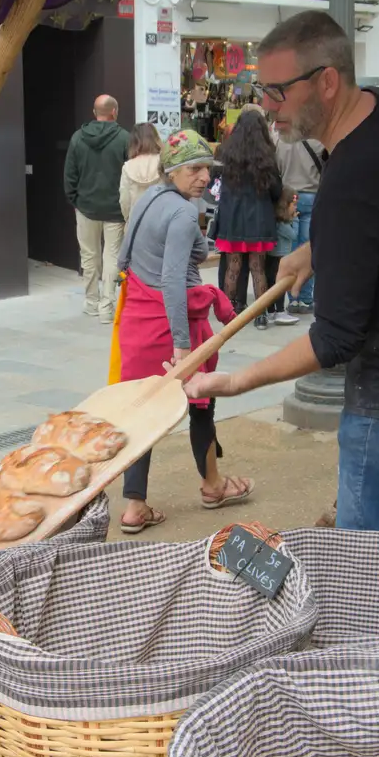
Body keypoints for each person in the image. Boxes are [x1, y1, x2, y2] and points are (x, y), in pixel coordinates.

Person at [183, 11, 379, 532]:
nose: (267, 106)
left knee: (363, 573)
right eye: (262, 88)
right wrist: (318, 249)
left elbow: (336, 338)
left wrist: (238, 380)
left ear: (326, 81)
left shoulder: (348, 181)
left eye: (277, 91)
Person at [113, 130, 252, 533]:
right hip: (171, 325)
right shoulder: (183, 213)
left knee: (142, 413)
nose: (204, 178)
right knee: (200, 404)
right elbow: (174, 280)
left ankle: (134, 506)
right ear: (172, 170)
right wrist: (179, 345)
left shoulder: (146, 200)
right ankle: (213, 485)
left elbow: (124, 258)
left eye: (207, 169)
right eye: (194, 169)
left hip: (136, 320)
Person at [208, 109, 282, 329]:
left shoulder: (227, 155)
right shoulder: (267, 157)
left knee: (233, 266)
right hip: (259, 218)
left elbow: (216, 186)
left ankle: (228, 312)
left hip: (233, 218)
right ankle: (260, 315)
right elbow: (276, 190)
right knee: (258, 268)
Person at [64, 94, 131, 321]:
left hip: (85, 207)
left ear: (95, 113)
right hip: (115, 209)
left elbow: (69, 175)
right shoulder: (125, 139)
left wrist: (75, 200)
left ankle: (91, 302)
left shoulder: (77, 138)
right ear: (115, 112)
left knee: (89, 256)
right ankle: (107, 307)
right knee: (112, 256)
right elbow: (129, 176)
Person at [271, 121, 324, 317]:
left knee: (291, 248)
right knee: (309, 248)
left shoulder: (282, 142)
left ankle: (291, 298)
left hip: (288, 197)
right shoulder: (318, 142)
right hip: (312, 196)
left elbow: (276, 169)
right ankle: (305, 298)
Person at [117, 123, 162, 225]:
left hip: (136, 223)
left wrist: (128, 219)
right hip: (161, 221)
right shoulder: (164, 163)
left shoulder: (128, 167)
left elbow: (124, 200)